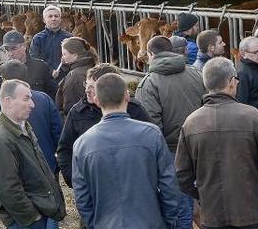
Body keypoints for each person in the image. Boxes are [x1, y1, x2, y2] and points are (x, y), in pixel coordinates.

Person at [175, 57, 258, 229]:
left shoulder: (191, 123)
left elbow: (182, 175)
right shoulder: (253, 117)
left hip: (213, 214)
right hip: (252, 212)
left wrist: (204, 195)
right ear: (232, 82)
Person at [73, 73, 180, 229]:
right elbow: (168, 183)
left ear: (96, 100)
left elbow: (82, 196)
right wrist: (168, 219)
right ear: (127, 96)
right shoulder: (151, 134)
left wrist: (94, 224)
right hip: (150, 222)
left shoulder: (82, 144)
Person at [134, 35, 204, 229]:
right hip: (202, 146)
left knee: (181, 209)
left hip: (172, 152)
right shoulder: (196, 73)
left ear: (150, 54)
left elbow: (151, 127)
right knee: (207, 201)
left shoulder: (149, 83)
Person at [0, 79, 66, 229]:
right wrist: (32, 216)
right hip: (25, 221)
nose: (33, 104)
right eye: (26, 98)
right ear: (8, 101)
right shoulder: (1, 140)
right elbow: (6, 189)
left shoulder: (22, 125)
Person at [57, 63, 151, 188]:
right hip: (95, 186)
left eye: (92, 87)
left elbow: (149, 147)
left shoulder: (134, 109)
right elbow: (65, 150)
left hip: (133, 184)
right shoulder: (77, 112)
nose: (86, 90)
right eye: (86, 84)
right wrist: (75, 180)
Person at [0, 31, 57, 102]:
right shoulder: (0, 70)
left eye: (14, 48)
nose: (10, 53)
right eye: (7, 49)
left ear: (24, 46)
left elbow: (52, 94)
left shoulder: (41, 67)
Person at [55, 37, 98, 116]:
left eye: (64, 54)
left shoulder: (75, 76)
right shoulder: (91, 67)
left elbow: (71, 104)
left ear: (74, 55)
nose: (62, 58)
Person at [30, 5, 73, 74]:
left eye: (56, 16)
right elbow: (34, 60)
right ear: (44, 20)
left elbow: (76, 57)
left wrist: (66, 64)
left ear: (60, 19)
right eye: (50, 16)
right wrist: (50, 71)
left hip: (65, 77)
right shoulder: (38, 38)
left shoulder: (69, 37)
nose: (53, 19)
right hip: (44, 79)